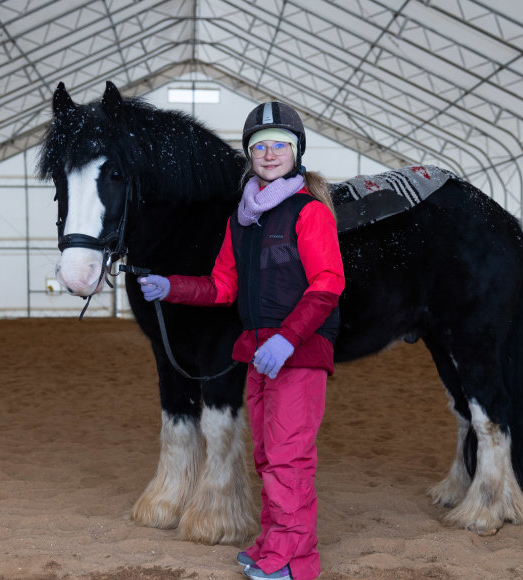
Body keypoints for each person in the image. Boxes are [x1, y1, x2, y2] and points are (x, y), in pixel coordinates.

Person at [138, 101, 344, 580]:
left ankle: (295, 562)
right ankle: (274, 543)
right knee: (267, 456)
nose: (269, 154)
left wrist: (288, 340)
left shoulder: (310, 212)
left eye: (280, 146)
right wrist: (173, 286)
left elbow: (328, 283)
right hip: (257, 356)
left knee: (290, 457)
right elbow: (222, 287)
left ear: (296, 153)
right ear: (249, 155)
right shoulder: (243, 219)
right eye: (260, 147)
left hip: (297, 354)